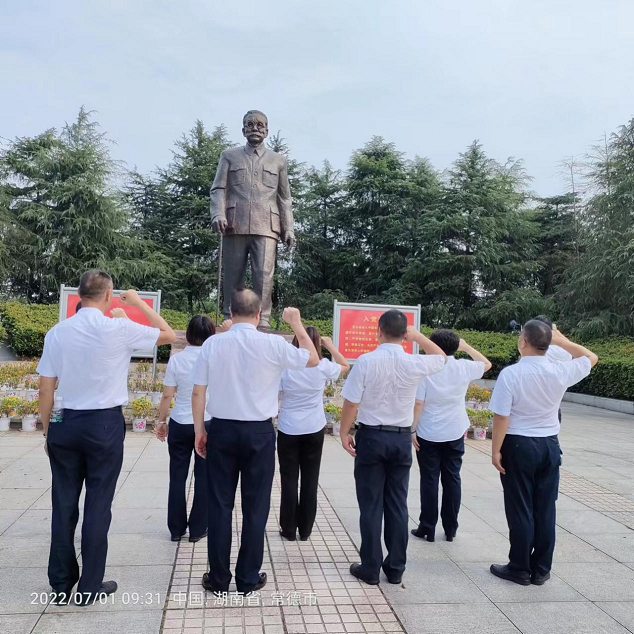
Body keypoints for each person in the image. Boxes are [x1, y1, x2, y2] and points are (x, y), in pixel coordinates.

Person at [37, 271, 175, 606]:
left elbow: (45, 389)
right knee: (98, 504)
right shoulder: (119, 328)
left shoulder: (57, 333)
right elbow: (169, 334)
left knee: (63, 502)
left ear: (80, 294)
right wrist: (138, 303)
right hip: (104, 424)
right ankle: (89, 587)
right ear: (109, 294)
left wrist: (48, 428)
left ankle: (60, 584)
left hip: (65, 421)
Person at [191, 290, 319, 595]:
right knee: (256, 506)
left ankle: (219, 579)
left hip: (221, 430)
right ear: (259, 314)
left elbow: (198, 392)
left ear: (231, 312)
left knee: (220, 506)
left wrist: (199, 430)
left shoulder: (213, 344)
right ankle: (247, 578)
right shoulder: (273, 344)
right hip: (259, 434)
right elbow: (313, 359)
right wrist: (296, 323)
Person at [339, 310, 447, 586]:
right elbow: (441, 358)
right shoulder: (413, 362)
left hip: (372, 438)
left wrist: (343, 431)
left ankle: (370, 567)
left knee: (371, 505)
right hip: (400, 440)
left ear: (379, 330)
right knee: (398, 504)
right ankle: (396, 567)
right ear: (405, 335)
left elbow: (351, 402)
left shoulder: (366, 361)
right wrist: (418, 336)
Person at [489, 320, 598, 586]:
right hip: (549, 445)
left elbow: (501, 417)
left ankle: (519, 567)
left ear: (523, 341)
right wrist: (561, 341)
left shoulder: (511, 374)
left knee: (520, 507)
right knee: (545, 508)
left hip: (518, 444)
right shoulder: (560, 370)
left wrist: (495, 451)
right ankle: (541, 569)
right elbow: (591, 358)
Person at [210, 110, 295, 329]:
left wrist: (289, 227)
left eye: (260, 125)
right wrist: (218, 213)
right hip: (233, 223)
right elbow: (219, 189)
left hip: (267, 226)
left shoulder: (278, 160)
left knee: (264, 276)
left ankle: (262, 318)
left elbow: (284, 197)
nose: (255, 128)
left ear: (266, 130)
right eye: (250, 124)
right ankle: (230, 315)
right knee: (233, 274)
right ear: (243, 129)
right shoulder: (229, 156)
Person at [411, 331, 492, 543]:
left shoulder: (427, 369)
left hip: (428, 432)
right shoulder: (464, 366)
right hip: (455, 431)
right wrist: (466, 347)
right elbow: (486, 364)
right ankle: (450, 528)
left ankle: (427, 527)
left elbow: (418, 403)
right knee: (452, 478)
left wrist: (412, 429)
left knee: (429, 479)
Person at [156, 315, 225, 543]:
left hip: (179, 422)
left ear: (188, 335)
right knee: (204, 477)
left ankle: (176, 529)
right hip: (207, 422)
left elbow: (167, 394)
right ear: (211, 334)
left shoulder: (177, 360)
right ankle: (198, 528)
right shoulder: (215, 358)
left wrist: (161, 421)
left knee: (177, 476)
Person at [277, 328, 350, 542]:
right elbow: (345, 366)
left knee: (289, 480)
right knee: (310, 479)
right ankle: (306, 529)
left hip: (288, 428)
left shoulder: (286, 367)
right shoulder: (323, 366)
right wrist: (330, 345)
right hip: (314, 428)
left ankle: (288, 529)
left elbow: (277, 394)